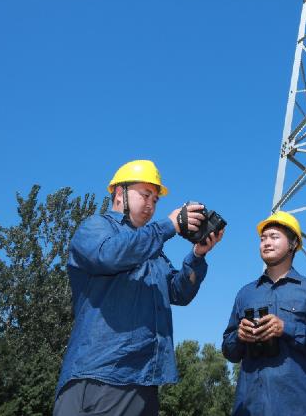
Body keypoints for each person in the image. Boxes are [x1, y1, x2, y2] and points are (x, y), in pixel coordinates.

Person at [54, 159, 224, 416]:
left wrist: (197, 256)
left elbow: (178, 293)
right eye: (145, 194)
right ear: (119, 192)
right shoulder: (96, 227)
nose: (151, 204)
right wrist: (169, 226)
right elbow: (109, 255)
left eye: (155, 200)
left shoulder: (152, 250)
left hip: (144, 379)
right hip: (102, 373)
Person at [221, 211, 306, 416]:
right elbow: (229, 352)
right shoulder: (245, 293)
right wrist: (239, 337)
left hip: (296, 406)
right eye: (263, 238)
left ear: (293, 244)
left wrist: (286, 328)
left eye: (274, 237)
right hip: (249, 406)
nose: (266, 242)